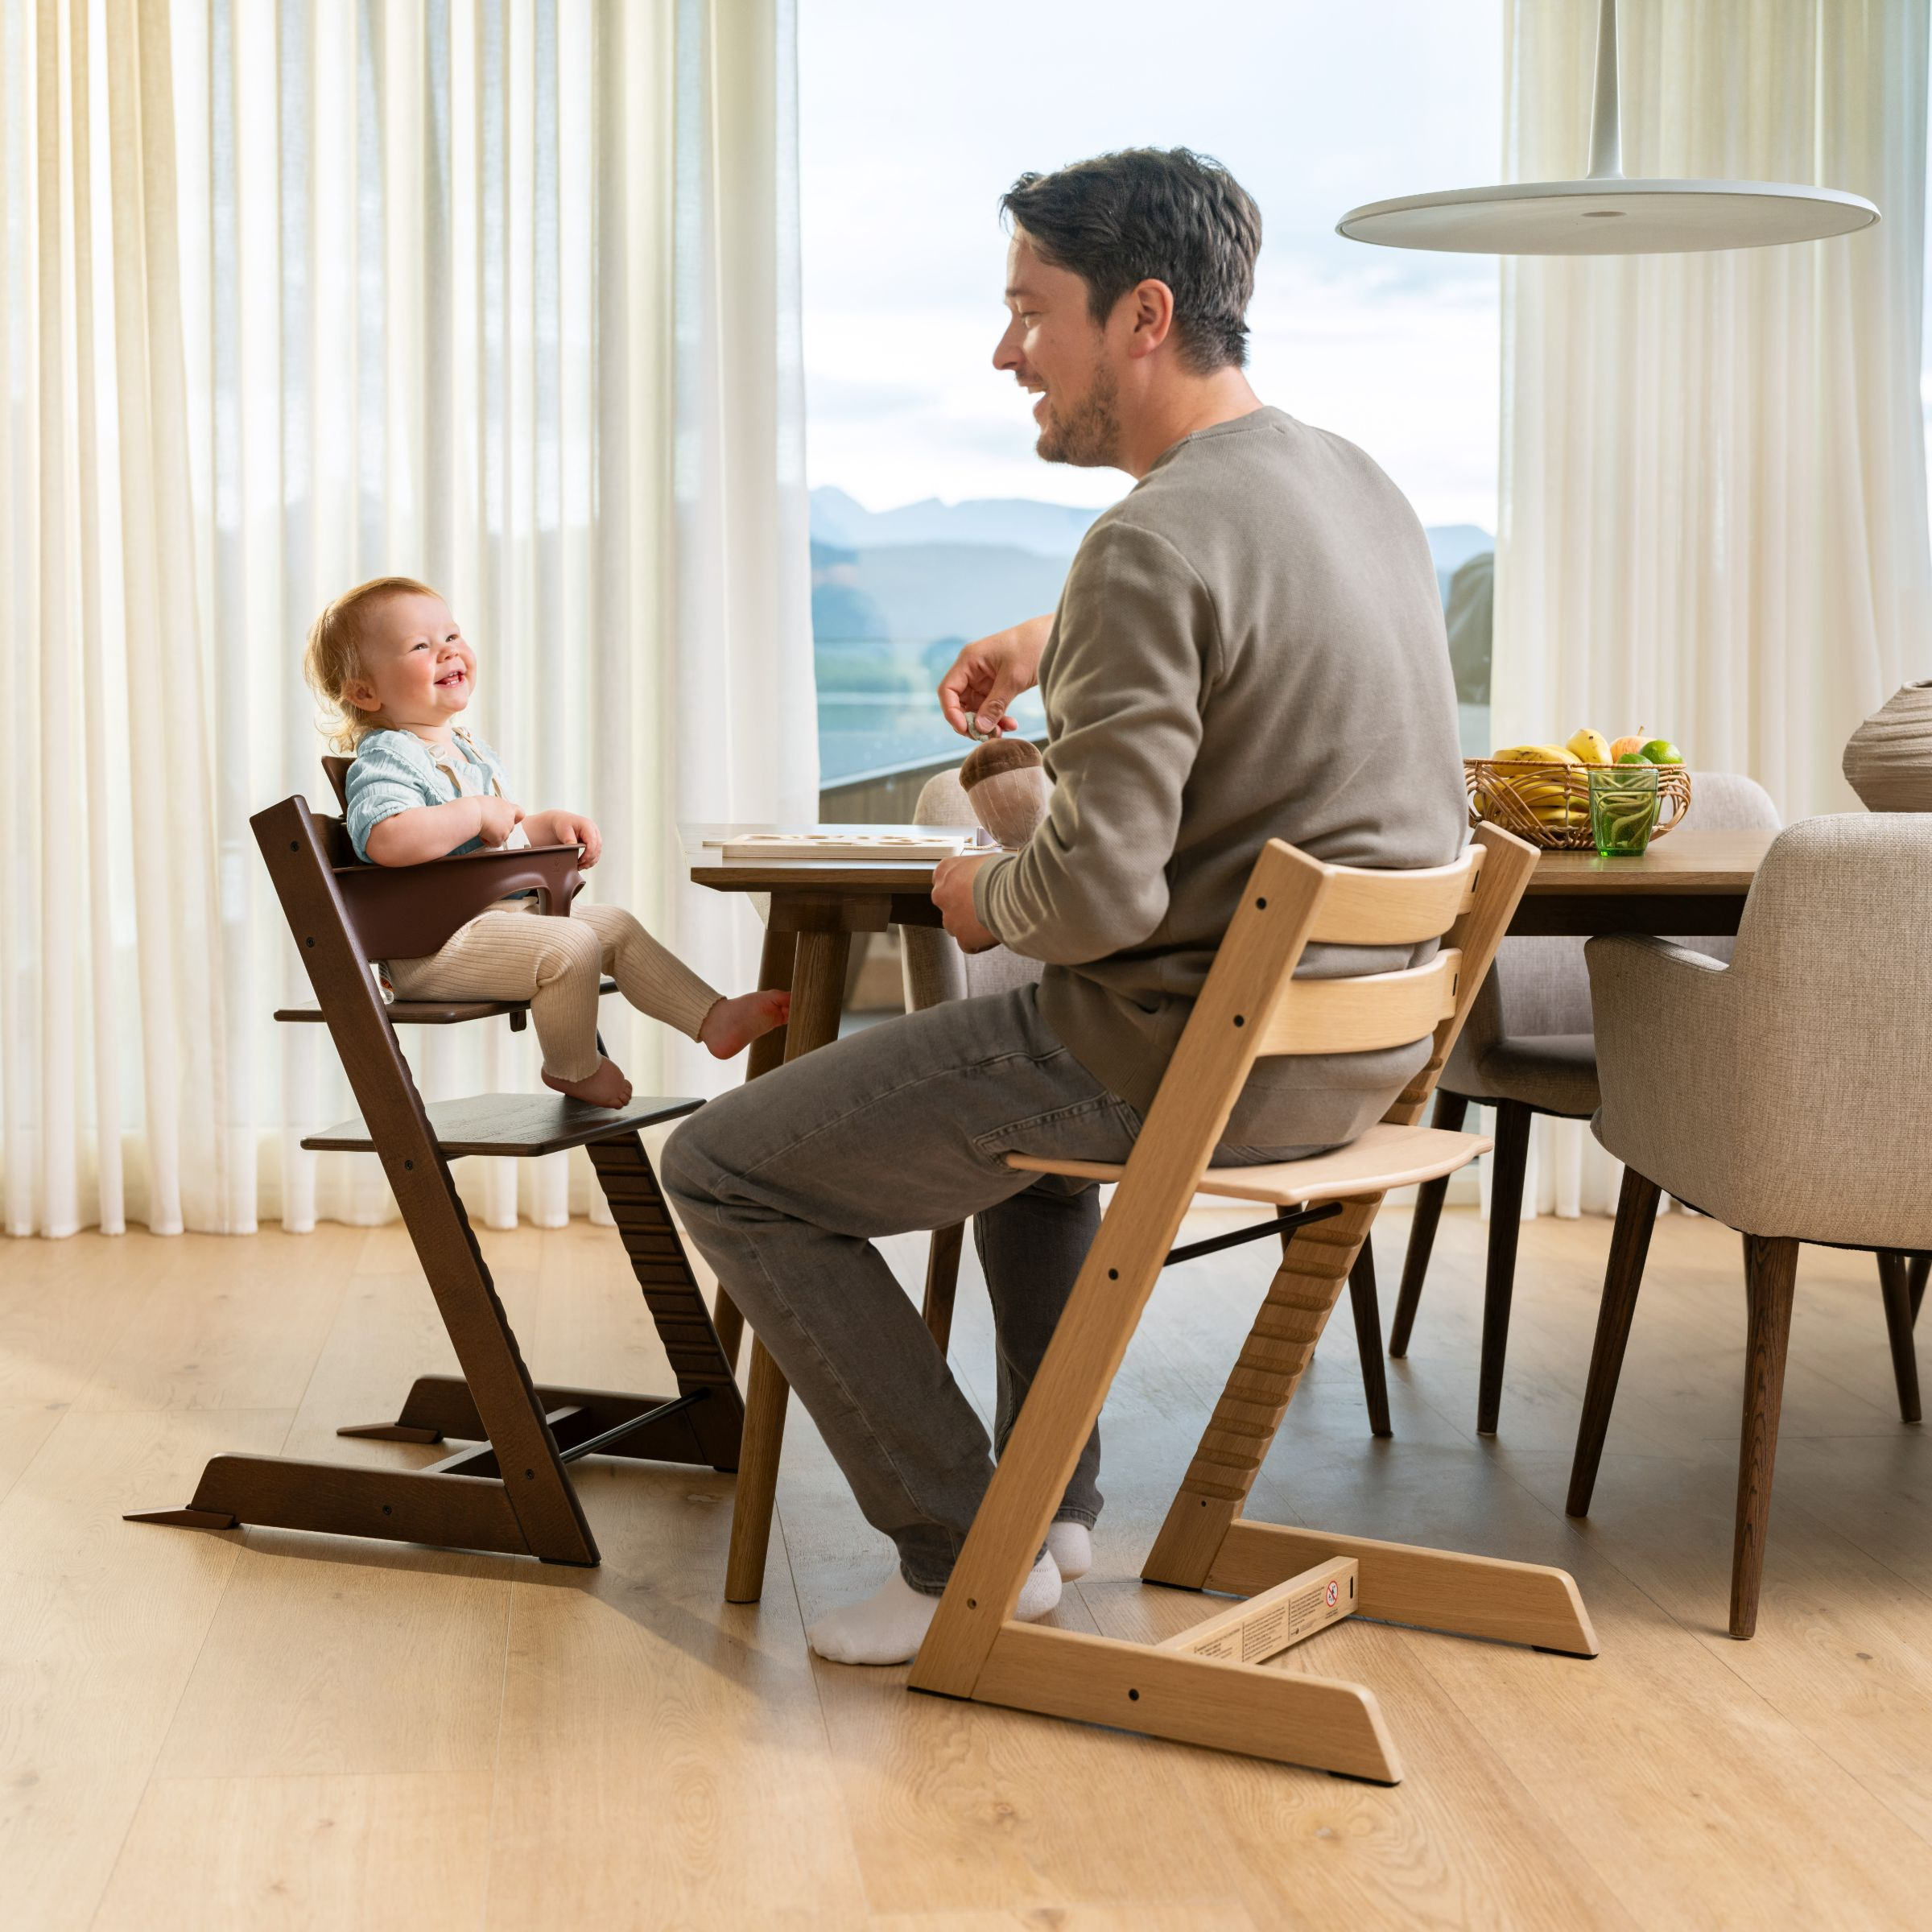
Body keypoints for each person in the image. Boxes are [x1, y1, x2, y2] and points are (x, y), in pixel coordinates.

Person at [663, 147, 1467, 1665]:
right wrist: (1061, 636)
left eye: (1033, 310)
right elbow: (1249, 644)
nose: (1005, 349)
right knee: (1028, 1158)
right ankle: (1055, 1508)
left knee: (726, 1168)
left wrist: (975, 894)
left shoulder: (1148, 541)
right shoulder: (1353, 484)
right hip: (1351, 1063)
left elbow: (1091, 900)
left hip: (1180, 1060)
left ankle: (962, 1544)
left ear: (1142, 315)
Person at [305, 575, 790, 1104]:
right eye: (420, 646)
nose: (447, 652)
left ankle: (711, 1017)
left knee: (614, 926)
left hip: (494, 924)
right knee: (572, 943)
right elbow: (385, 839)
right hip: (433, 948)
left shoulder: (470, 752)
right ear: (364, 692)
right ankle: (573, 1069)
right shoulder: (387, 756)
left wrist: (545, 826)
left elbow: (495, 839)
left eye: (452, 635)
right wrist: (473, 813)